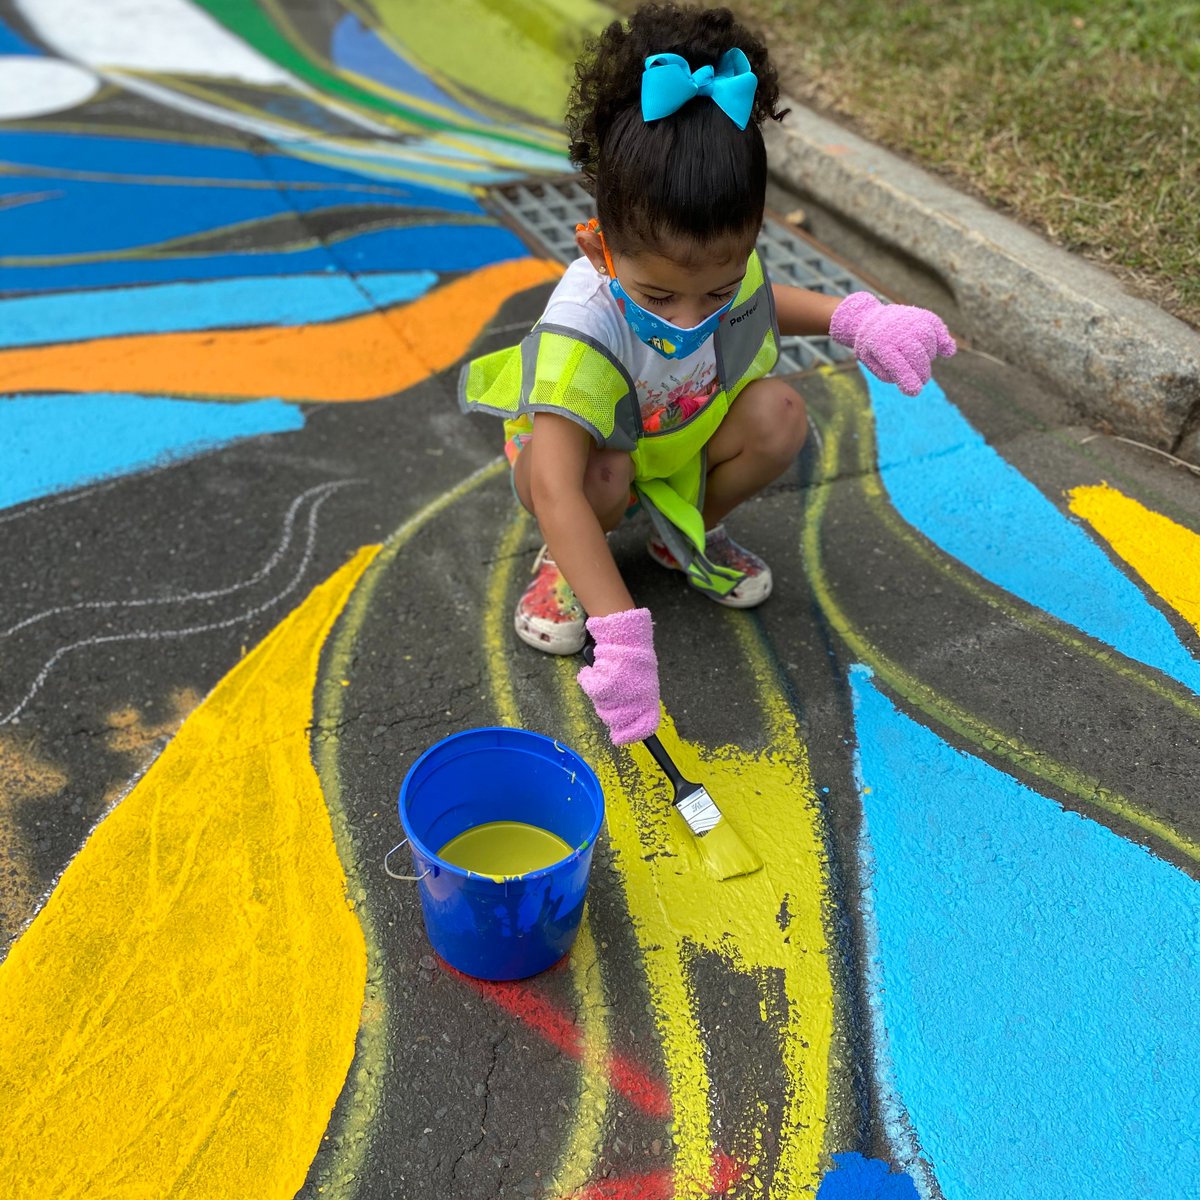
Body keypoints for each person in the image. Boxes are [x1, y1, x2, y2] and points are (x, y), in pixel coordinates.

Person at [459, 2, 955, 747]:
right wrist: (619, 635)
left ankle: (680, 536)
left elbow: (764, 300)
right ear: (598, 249)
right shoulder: (581, 328)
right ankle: (568, 560)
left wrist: (859, 319)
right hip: (586, 468)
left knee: (781, 413)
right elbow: (555, 484)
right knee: (595, 482)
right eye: (659, 296)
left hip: (674, 443)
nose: (693, 317)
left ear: (752, 238)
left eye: (716, 292)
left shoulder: (717, 272)